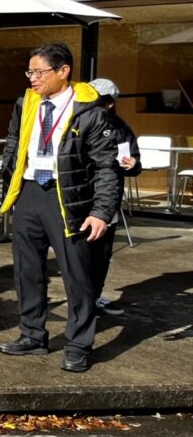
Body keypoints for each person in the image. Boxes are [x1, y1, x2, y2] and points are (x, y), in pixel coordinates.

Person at [0, 43, 121, 372]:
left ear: (63, 71)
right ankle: (32, 335)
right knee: (27, 270)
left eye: (39, 72)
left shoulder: (90, 111)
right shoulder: (26, 103)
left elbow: (107, 166)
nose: (32, 78)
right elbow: (14, 141)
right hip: (29, 192)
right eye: (30, 72)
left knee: (77, 275)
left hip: (68, 197)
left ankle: (78, 345)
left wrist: (101, 212)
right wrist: (10, 181)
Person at [86, 78, 141, 317]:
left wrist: (133, 164)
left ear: (109, 103)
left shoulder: (120, 128)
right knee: (78, 255)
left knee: (102, 255)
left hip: (107, 199)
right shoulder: (75, 122)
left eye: (96, 100)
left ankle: (93, 298)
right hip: (78, 199)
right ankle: (81, 300)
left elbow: (134, 161)